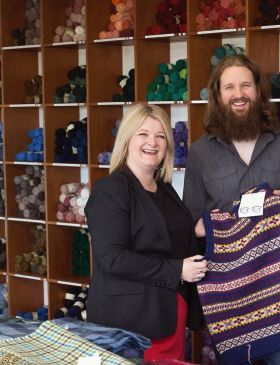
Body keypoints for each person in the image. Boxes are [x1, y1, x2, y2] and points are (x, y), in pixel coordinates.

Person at [183, 54, 280, 365]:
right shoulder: (201, 153)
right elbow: (189, 221)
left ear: (258, 91)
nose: (239, 93)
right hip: (228, 292)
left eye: (246, 84)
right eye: (229, 86)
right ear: (217, 95)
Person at [85, 103, 208, 363]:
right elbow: (112, 257)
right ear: (127, 139)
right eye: (143, 134)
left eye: (161, 135)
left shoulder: (164, 189)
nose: (152, 142)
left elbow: (168, 235)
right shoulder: (111, 190)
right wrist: (177, 270)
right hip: (131, 322)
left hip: (169, 312)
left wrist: (207, 227)